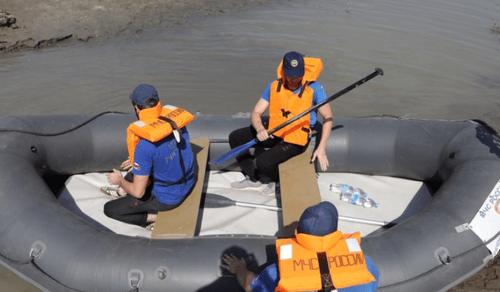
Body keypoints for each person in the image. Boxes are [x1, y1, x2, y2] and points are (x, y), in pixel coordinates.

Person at [228, 51, 333, 196]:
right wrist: (259, 129)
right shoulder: (273, 86)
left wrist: (321, 148)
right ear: (283, 71)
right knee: (235, 137)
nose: (294, 80)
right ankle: (252, 179)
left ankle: (276, 182)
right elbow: (256, 113)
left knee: (263, 163)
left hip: (297, 136)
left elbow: (328, 118)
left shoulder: (315, 88)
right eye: (290, 75)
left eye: (298, 75)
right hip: (276, 130)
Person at [221, 201, 379, 292]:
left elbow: (250, 285)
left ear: (296, 233)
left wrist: (238, 268)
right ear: (336, 234)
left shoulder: (278, 273)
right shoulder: (366, 265)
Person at [103, 84, 196, 228]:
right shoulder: (177, 124)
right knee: (134, 169)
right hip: (188, 182)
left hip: (168, 199)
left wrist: (119, 180)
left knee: (110, 209)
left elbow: (139, 193)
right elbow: (165, 152)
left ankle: (154, 217)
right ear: (158, 103)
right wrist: (136, 161)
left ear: (136, 108)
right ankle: (122, 191)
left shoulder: (144, 146)